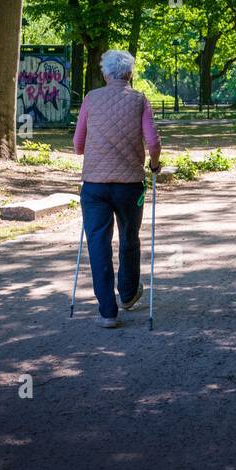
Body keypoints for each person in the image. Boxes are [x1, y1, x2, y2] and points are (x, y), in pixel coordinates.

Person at [73, 50, 162, 328]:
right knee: (129, 237)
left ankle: (108, 312)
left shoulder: (91, 98)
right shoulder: (139, 100)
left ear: (105, 73)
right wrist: (154, 164)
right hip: (130, 185)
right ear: (130, 74)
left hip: (94, 187)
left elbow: (78, 144)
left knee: (98, 243)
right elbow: (153, 142)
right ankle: (128, 294)